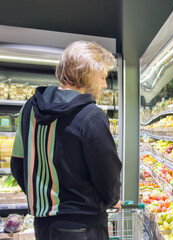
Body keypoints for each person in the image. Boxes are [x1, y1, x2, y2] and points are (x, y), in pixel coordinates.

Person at [10, 41, 122, 240]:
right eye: (103, 77)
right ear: (86, 73)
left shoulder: (29, 109)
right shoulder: (91, 115)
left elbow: (18, 164)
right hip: (85, 225)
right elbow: (107, 171)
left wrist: (42, 197)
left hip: (44, 226)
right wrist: (113, 199)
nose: (105, 85)